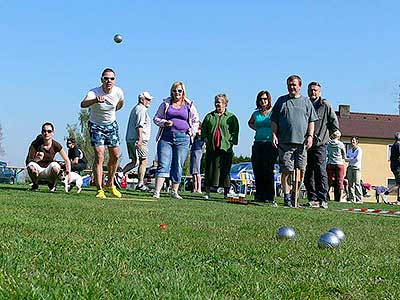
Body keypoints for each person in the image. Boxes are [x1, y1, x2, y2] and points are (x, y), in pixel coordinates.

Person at [270, 75, 318, 207]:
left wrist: (310, 136)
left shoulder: (306, 102)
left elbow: (311, 121)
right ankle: (286, 197)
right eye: (290, 85)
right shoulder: (281, 101)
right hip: (285, 142)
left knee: (301, 171)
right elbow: (274, 120)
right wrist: (274, 134)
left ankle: (294, 196)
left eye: (294, 85)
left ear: (299, 86)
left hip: (302, 143)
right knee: (286, 171)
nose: (292, 87)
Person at [80, 68, 124, 199]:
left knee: (115, 156)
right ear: (101, 80)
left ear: (114, 80)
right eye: (106, 78)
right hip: (96, 126)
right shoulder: (94, 92)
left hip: (111, 125)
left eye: (111, 78)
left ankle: (110, 184)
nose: (109, 81)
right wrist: (95, 101)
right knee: (99, 155)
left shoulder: (118, 92)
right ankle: (99, 189)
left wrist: (112, 113)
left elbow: (120, 104)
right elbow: (83, 104)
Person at [152, 81, 200, 199]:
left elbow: (195, 120)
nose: (177, 93)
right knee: (163, 163)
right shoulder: (165, 104)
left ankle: (174, 191)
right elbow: (156, 118)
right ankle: (157, 191)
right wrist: (164, 122)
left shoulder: (189, 105)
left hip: (183, 138)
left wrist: (191, 132)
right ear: (171, 92)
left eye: (179, 91)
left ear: (183, 92)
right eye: (174, 90)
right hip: (166, 137)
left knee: (178, 164)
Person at [303, 82, 339, 209]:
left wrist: (328, 134)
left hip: (320, 143)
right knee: (308, 173)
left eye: (315, 90)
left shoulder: (325, 105)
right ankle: (312, 198)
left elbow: (334, 123)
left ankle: (323, 198)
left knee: (320, 171)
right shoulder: (304, 104)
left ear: (320, 92)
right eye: (311, 90)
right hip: (306, 144)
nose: (313, 92)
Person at [202, 94, 239, 200]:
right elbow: (203, 128)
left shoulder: (231, 117)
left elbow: (235, 131)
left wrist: (232, 141)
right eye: (216, 102)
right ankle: (207, 191)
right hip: (211, 147)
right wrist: (205, 138)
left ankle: (226, 191)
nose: (218, 104)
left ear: (225, 104)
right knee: (209, 169)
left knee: (225, 170)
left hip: (225, 147)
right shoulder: (209, 116)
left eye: (220, 102)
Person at [248, 90, 278, 204]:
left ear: (269, 99)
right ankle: (259, 195)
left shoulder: (273, 112)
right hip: (258, 143)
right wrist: (257, 128)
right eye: (261, 99)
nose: (263, 101)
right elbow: (250, 122)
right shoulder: (256, 114)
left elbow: (278, 123)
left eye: (265, 99)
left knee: (268, 170)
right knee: (257, 169)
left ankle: (269, 196)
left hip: (270, 144)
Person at [122, 91, 153, 192]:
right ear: (142, 99)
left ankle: (119, 174)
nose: (150, 101)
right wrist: (140, 139)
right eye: (147, 99)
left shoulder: (135, 108)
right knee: (143, 160)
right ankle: (140, 183)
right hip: (139, 139)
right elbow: (139, 125)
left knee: (135, 162)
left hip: (130, 138)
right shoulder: (141, 109)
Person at [26, 122, 71, 192]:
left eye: (49, 131)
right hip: (38, 169)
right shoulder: (35, 144)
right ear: (41, 132)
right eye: (44, 131)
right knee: (31, 167)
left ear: (53, 133)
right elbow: (29, 161)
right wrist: (37, 159)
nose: (46, 133)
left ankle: (52, 184)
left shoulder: (56, 145)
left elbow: (67, 160)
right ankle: (35, 184)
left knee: (55, 167)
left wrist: (69, 175)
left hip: (48, 170)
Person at [380, 132, 400, 204]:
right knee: (398, 184)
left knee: (398, 184)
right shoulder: (398, 145)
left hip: (394, 167)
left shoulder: (394, 145)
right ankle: (385, 194)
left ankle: (398, 200)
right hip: (398, 168)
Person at [327, 130, 346, 202]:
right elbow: (344, 155)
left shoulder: (329, 143)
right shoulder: (341, 144)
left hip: (330, 163)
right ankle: (340, 198)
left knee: (329, 180)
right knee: (340, 180)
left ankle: (327, 195)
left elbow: (327, 152)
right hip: (339, 163)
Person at [346, 136, 363, 203]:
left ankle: (359, 199)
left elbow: (357, 159)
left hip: (356, 168)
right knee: (350, 184)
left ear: (357, 142)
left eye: (354, 140)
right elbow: (346, 159)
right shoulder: (349, 150)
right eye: (352, 140)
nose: (353, 142)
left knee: (357, 183)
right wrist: (352, 158)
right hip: (350, 167)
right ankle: (351, 199)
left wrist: (350, 159)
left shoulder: (359, 150)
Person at [190, 123, 204, 194]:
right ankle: (194, 188)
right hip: (193, 150)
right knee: (193, 171)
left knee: (197, 171)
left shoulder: (200, 133)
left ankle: (199, 189)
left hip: (197, 150)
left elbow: (201, 137)